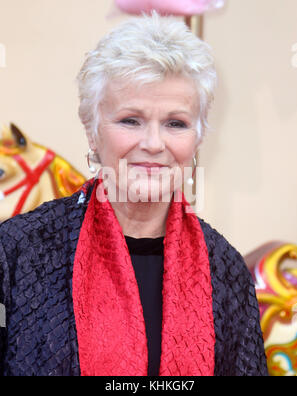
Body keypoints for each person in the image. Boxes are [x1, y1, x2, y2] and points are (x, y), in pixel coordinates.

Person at [0, 11, 268, 376]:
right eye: (131, 120)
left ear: (198, 138)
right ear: (92, 131)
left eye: (176, 123)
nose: (154, 143)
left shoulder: (227, 270)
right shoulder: (17, 251)